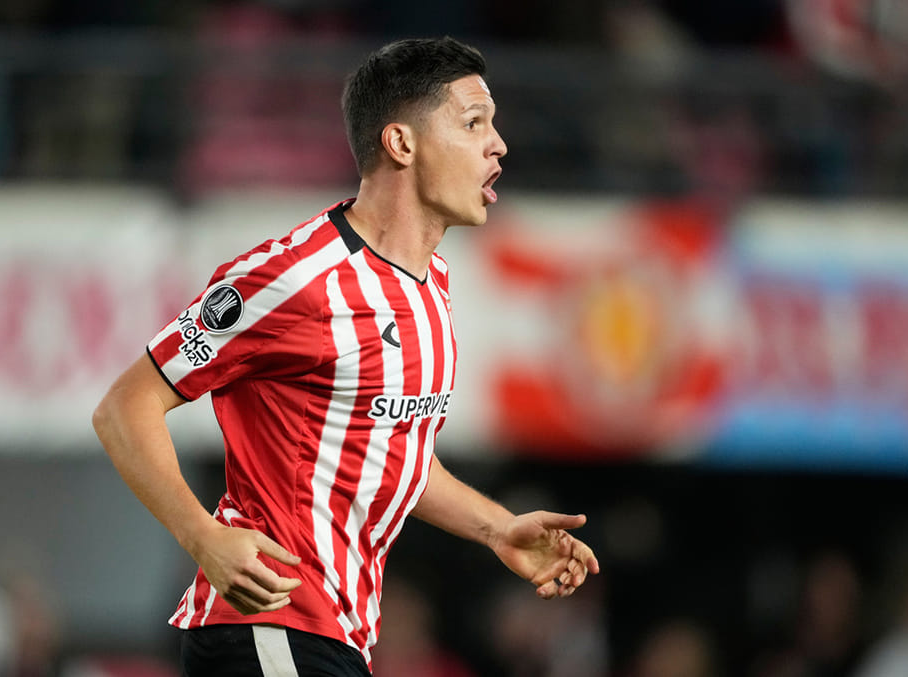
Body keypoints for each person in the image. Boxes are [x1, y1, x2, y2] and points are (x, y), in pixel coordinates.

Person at [92, 36, 599, 676]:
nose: (498, 144)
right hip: (269, 627)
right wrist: (204, 537)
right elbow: (124, 407)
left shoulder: (432, 285)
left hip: (336, 639)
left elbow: (388, 454)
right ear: (402, 144)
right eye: (473, 123)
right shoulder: (295, 279)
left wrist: (498, 530)